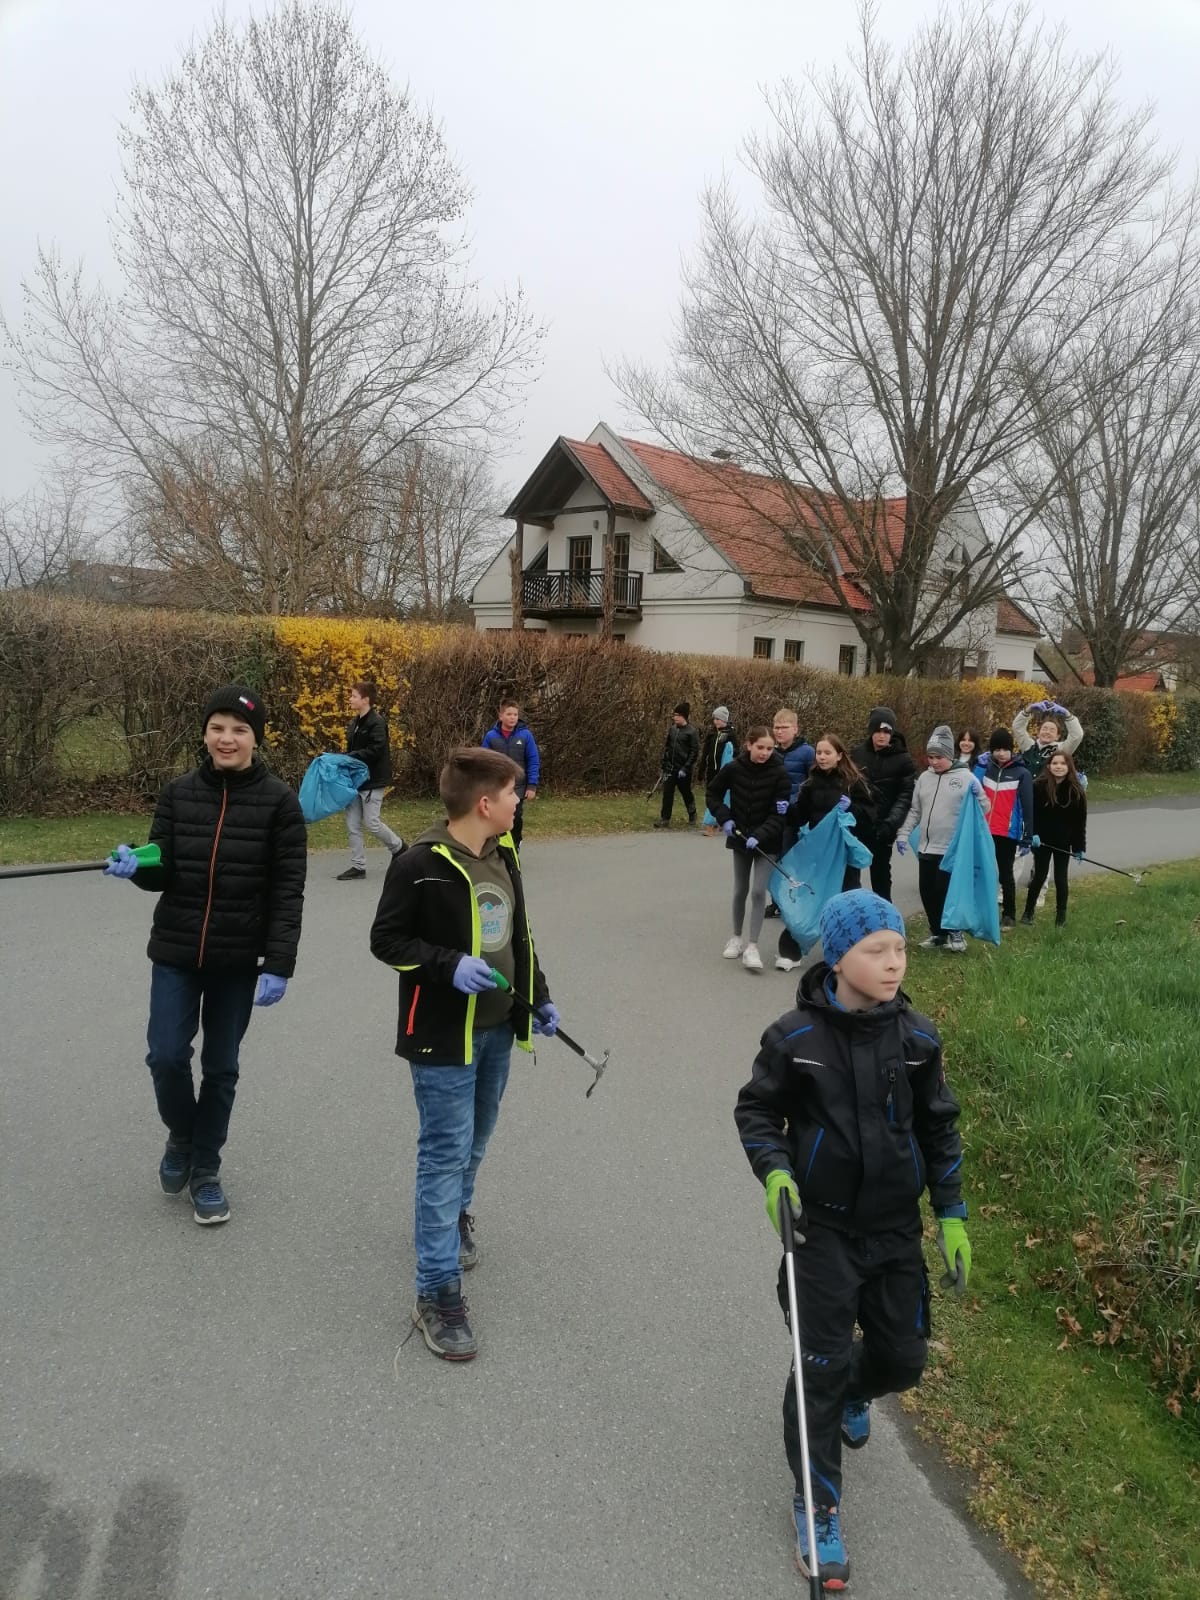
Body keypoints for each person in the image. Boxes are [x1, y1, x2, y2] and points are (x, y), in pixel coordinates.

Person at [734, 890, 970, 1588]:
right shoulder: (794, 1040)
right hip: (821, 1232)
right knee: (820, 1368)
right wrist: (776, 1173)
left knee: (903, 1359)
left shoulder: (918, 1040)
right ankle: (818, 1506)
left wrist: (951, 1215)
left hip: (895, 1231)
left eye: (899, 948)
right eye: (877, 950)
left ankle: (853, 1392)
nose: (895, 962)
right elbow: (756, 1113)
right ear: (838, 958)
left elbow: (940, 1129)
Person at [368, 746, 557, 1362]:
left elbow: (519, 935)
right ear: (484, 802)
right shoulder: (418, 864)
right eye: (512, 793)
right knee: (445, 1154)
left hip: (499, 1029)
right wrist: (447, 965)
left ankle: (452, 1216)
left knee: (475, 1140)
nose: (519, 800)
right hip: (443, 1036)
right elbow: (386, 940)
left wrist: (539, 998)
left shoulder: (505, 855)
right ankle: (435, 1292)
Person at [104, 685, 306, 1227]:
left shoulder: (280, 803)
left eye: (239, 730)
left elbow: (288, 890)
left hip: (237, 959)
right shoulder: (178, 794)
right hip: (176, 949)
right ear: (205, 734)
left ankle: (206, 1169)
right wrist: (137, 867)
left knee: (220, 1067)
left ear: (256, 740)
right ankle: (183, 1137)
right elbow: (161, 869)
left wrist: (279, 963)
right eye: (217, 727)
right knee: (166, 1056)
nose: (227, 738)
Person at [896, 725, 989, 952]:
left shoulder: (966, 778)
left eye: (939, 757)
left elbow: (984, 808)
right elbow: (915, 810)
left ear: (949, 755)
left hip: (951, 849)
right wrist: (903, 833)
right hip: (926, 847)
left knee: (946, 893)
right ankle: (937, 933)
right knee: (927, 892)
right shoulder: (924, 778)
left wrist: (979, 797)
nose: (934, 762)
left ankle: (955, 933)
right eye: (930, 757)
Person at [705, 726, 791, 972]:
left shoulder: (780, 773)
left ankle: (752, 946)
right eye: (760, 747)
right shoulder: (733, 768)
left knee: (758, 891)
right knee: (740, 888)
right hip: (739, 836)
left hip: (767, 841)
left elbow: (779, 815)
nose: (765, 753)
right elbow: (712, 794)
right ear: (749, 744)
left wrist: (760, 835)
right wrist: (725, 819)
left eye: (770, 748)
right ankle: (736, 937)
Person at [786, 735, 875, 899]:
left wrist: (851, 808)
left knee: (848, 891)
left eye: (827, 753)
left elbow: (869, 814)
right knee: (820, 891)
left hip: (843, 848)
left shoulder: (852, 782)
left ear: (839, 756)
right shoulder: (810, 784)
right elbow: (801, 817)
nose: (822, 757)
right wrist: (788, 810)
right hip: (819, 848)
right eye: (819, 752)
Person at [338, 680, 405, 881]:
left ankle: (399, 848)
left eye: (354, 696)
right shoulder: (355, 723)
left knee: (372, 823)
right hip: (355, 782)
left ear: (365, 700)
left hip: (372, 780)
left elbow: (376, 750)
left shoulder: (376, 723)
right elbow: (353, 750)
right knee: (352, 823)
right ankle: (358, 866)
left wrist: (350, 757)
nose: (350, 699)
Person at [851, 707, 917, 903]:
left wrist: (890, 824)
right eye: (878, 731)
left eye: (886, 731)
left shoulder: (904, 760)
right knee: (851, 871)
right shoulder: (857, 754)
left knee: (880, 872)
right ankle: (854, 909)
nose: (882, 736)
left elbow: (905, 796)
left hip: (884, 825)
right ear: (871, 731)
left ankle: (884, 913)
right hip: (858, 822)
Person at [767, 708, 816, 956]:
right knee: (773, 859)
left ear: (795, 729)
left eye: (784, 727)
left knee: (788, 860)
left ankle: (790, 901)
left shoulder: (807, 753)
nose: (779, 731)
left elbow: (811, 783)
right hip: (772, 816)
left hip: (793, 816)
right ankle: (776, 901)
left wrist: (794, 804)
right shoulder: (772, 752)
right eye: (776, 727)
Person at [1023, 750, 1087, 928]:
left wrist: (1079, 847)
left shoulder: (1076, 791)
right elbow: (1031, 814)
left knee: (1061, 879)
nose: (1059, 767)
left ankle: (1061, 917)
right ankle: (1028, 912)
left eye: (1063, 764)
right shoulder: (1038, 786)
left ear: (1069, 767)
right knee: (1039, 876)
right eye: (1055, 763)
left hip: (1063, 843)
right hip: (1042, 841)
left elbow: (1079, 823)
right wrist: (1033, 833)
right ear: (1049, 766)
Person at [977, 728, 1033, 929]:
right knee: (982, 872)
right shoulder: (986, 769)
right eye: (996, 749)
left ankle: (1009, 915)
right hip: (984, 830)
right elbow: (972, 788)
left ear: (1012, 750)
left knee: (1005, 875)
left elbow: (1027, 807)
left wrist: (1027, 836)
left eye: (1004, 749)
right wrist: (978, 766)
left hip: (1007, 833)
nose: (1000, 753)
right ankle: (980, 911)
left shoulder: (1022, 773)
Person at [481, 697, 540, 849]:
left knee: (516, 817)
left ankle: (515, 842)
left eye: (515, 714)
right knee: (497, 817)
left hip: (518, 788)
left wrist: (532, 786)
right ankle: (498, 846)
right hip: (497, 786)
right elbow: (484, 761)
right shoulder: (491, 736)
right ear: (501, 716)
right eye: (509, 714)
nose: (512, 717)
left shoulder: (525, 736)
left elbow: (533, 760)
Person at [1013, 697, 1084, 781]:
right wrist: (1029, 709)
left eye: (1052, 730)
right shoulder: (1028, 745)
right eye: (1045, 729)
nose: (1047, 732)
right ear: (1038, 733)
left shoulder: (1061, 749)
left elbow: (1077, 735)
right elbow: (1017, 727)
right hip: (1026, 788)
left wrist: (1067, 714)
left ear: (1057, 736)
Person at [654, 701, 700, 830]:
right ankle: (665, 818)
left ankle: (692, 814)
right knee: (667, 793)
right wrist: (665, 763)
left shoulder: (691, 732)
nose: (674, 718)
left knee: (686, 793)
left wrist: (686, 768)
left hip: (683, 770)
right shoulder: (672, 729)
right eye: (674, 715)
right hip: (670, 768)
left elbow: (694, 752)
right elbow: (667, 747)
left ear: (683, 716)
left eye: (677, 715)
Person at [699, 705, 736, 835]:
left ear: (724, 720)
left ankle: (712, 826)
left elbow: (735, 751)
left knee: (719, 796)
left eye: (718, 719)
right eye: (714, 719)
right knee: (711, 795)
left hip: (723, 770)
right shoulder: (712, 734)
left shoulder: (730, 734)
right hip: (711, 770)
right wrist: (702, 768)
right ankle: (717, 821)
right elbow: (705, 752)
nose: (715, 722)